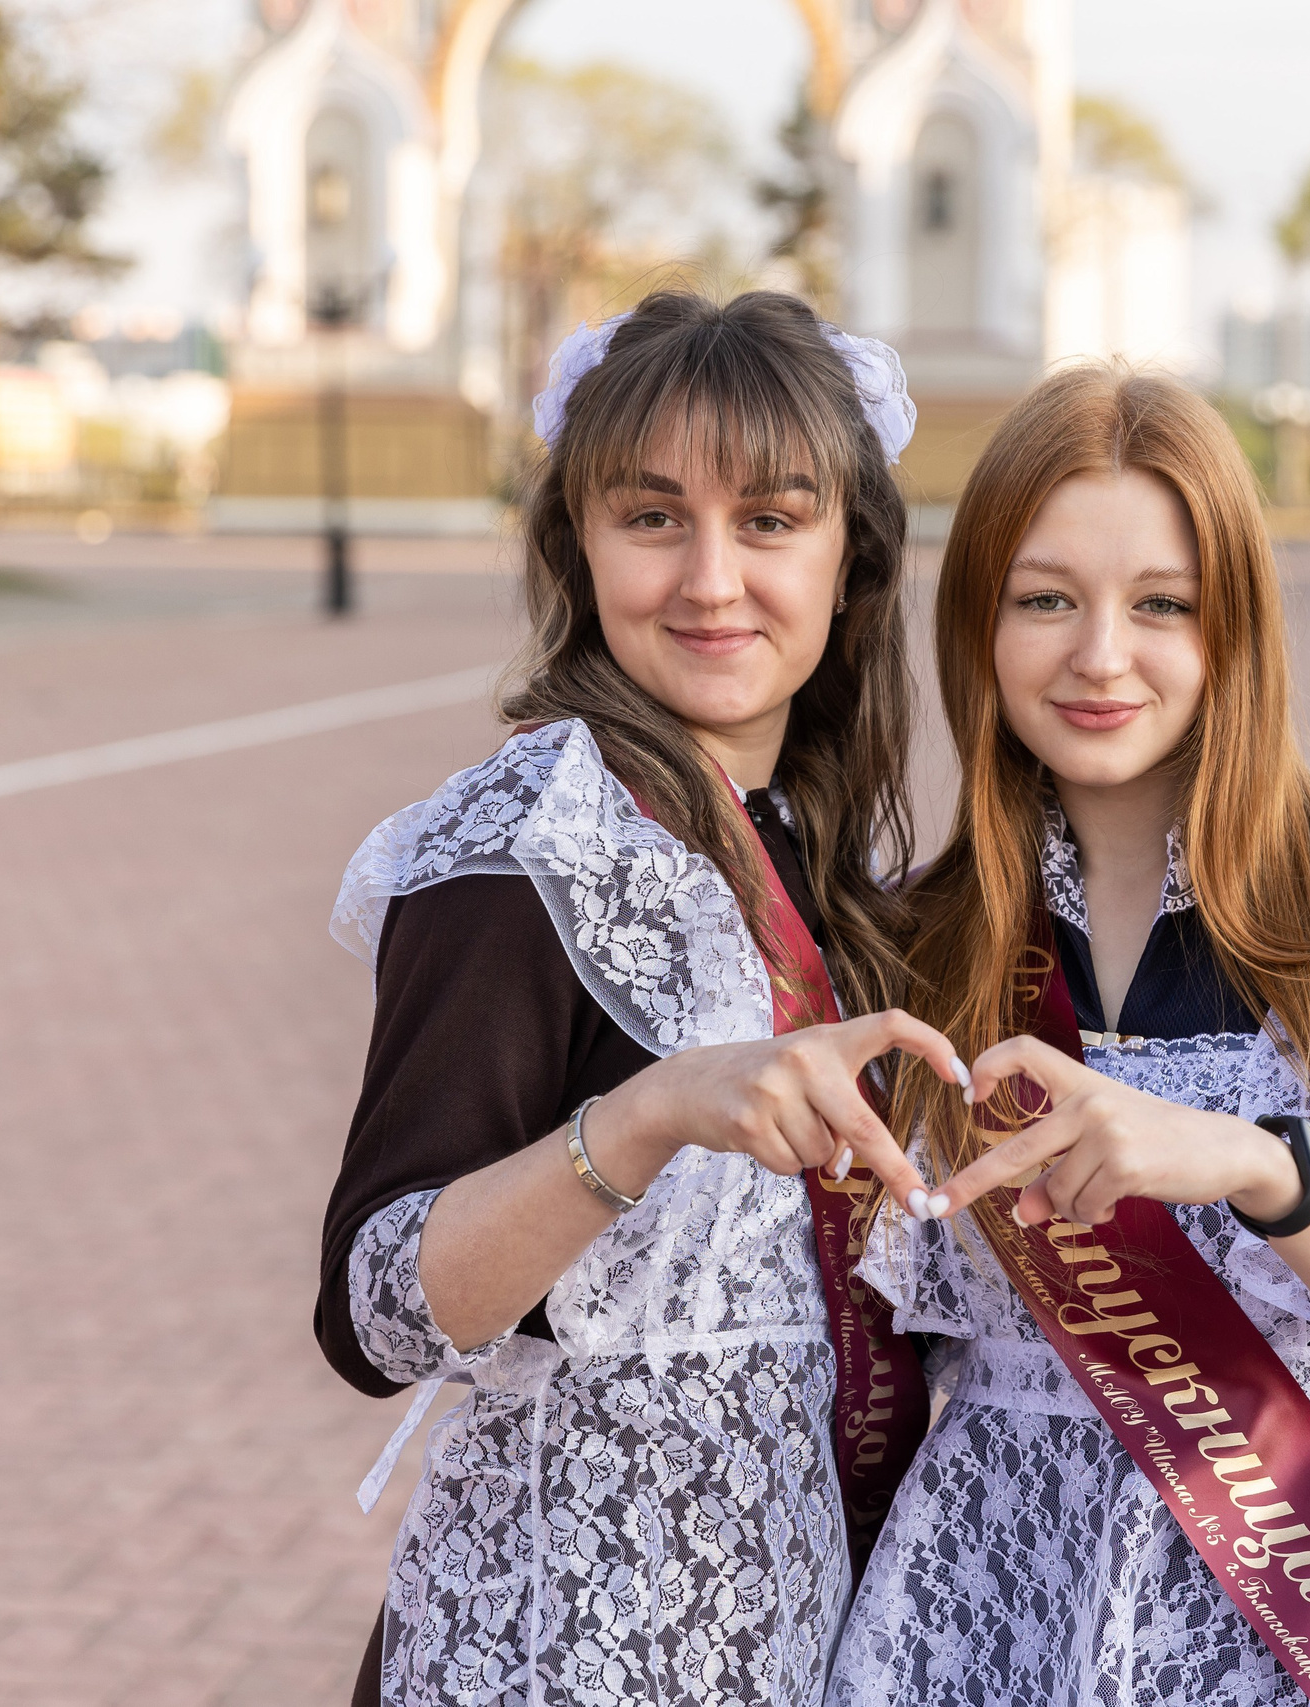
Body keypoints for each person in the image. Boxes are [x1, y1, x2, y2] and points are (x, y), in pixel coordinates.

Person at [827, 367, 1310, 1706]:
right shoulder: (909, 939)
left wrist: (1261, 1167)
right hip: (985, 1608)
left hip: (1287, 1612)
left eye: (1162, 605)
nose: (1100, 655)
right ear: (978, 626)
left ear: (1233, 625)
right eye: (1045, 599)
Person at [317, 289, 971, 1707]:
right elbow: (377, 1314)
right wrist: (645, 1114)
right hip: (562, 1650)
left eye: (770, 520)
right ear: (580, 544)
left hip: (795, 1636)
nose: (711, 579)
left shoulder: (818, 847)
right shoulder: (523, 851)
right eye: (654, 516)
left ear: (852, 559)